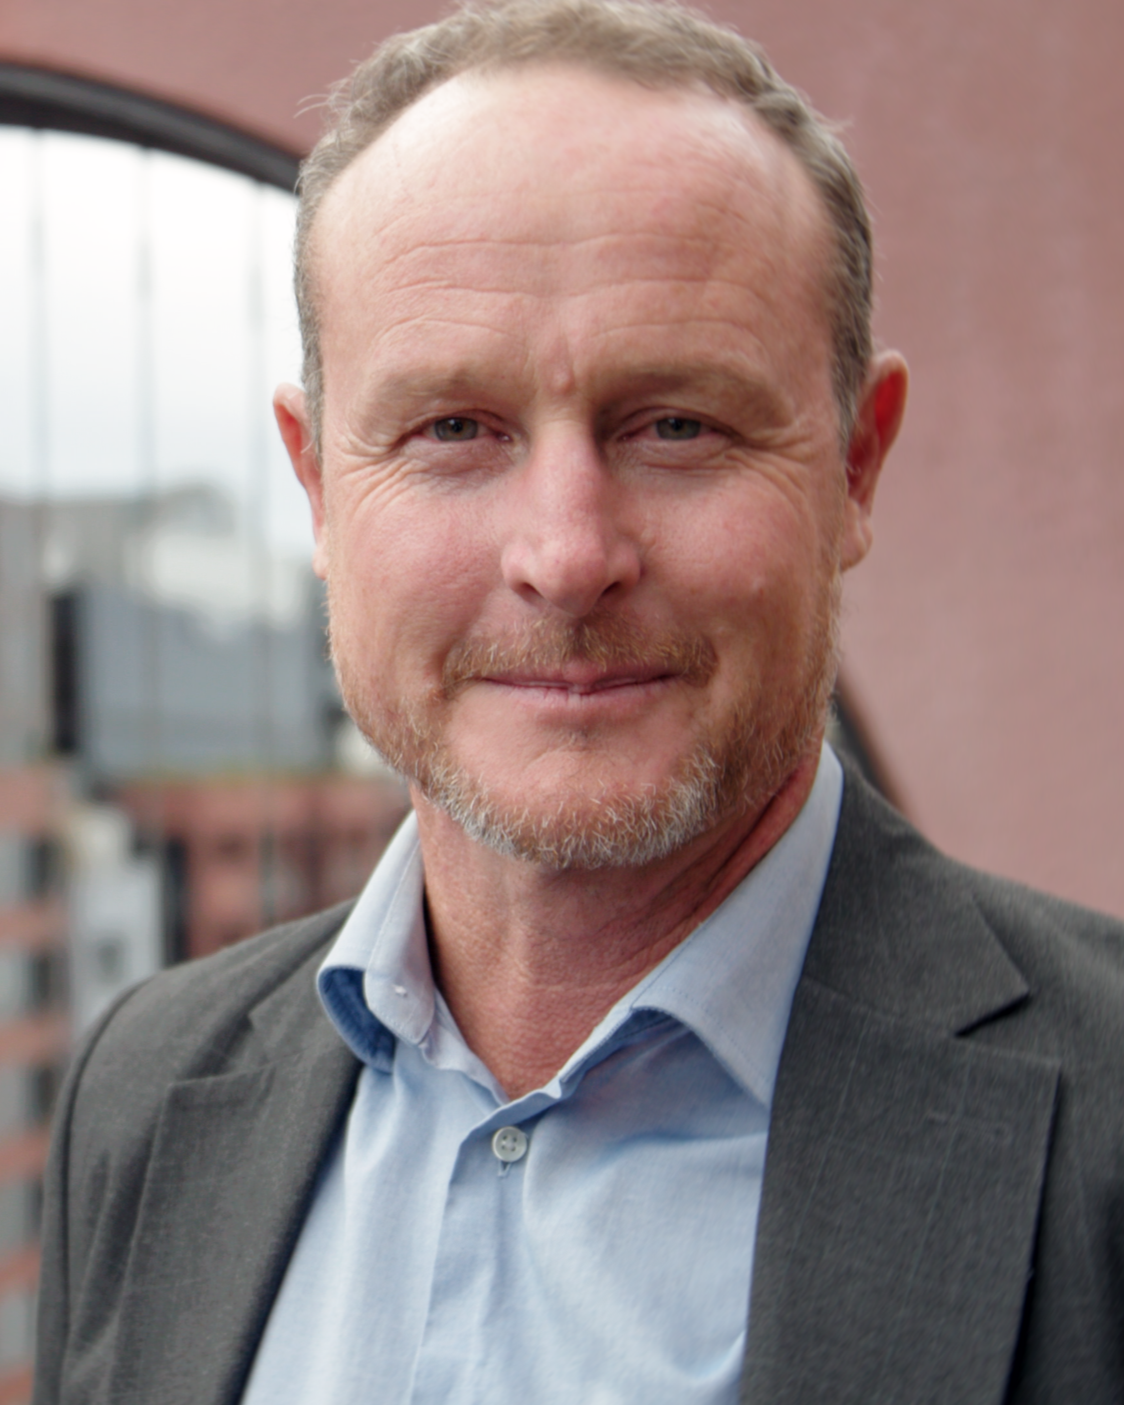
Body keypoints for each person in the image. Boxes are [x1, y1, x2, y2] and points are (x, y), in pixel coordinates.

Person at [33, 2, 1124, 1402]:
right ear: (316, 487)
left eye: (675, 424)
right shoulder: (147, 1094)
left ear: (857, 466)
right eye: (452, 431)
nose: (564, 555)